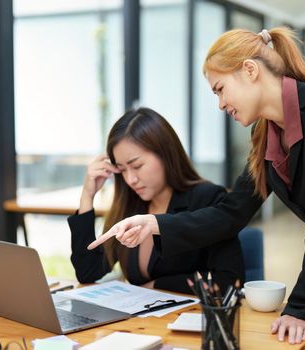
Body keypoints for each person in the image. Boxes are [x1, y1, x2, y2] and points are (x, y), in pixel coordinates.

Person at [87, 28, 305, 349]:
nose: (220, 104)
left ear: (250, 70)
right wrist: (156, 225)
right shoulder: (265, 137)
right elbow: (230, 212)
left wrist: (304, 306)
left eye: (220, 89)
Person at [69, 107, 244, 295]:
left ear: (165, 154)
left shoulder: (208, 198)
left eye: (137, 165)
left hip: (192, 320)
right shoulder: (131, 204)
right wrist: (87, 196)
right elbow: (87, 272)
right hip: (142, 323)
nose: (130, 179)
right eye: (122, 169)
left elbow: (229, 281)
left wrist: (155, 286)